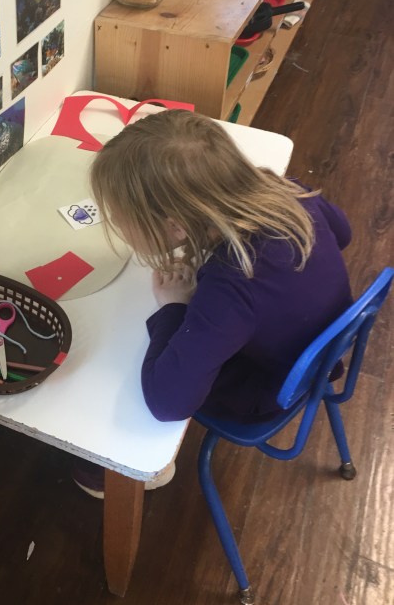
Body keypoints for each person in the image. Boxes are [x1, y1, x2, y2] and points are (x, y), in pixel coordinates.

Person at [72, 109, 352, 498]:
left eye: (121, 220)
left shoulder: (232, 286)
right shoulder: (286, 191)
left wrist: (174, 308)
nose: (118, 227)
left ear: (174, 227)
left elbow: (168, 403)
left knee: (117, 380)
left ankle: (136, 466)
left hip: (267, 388)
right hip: (323, 345)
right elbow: (343, 232)